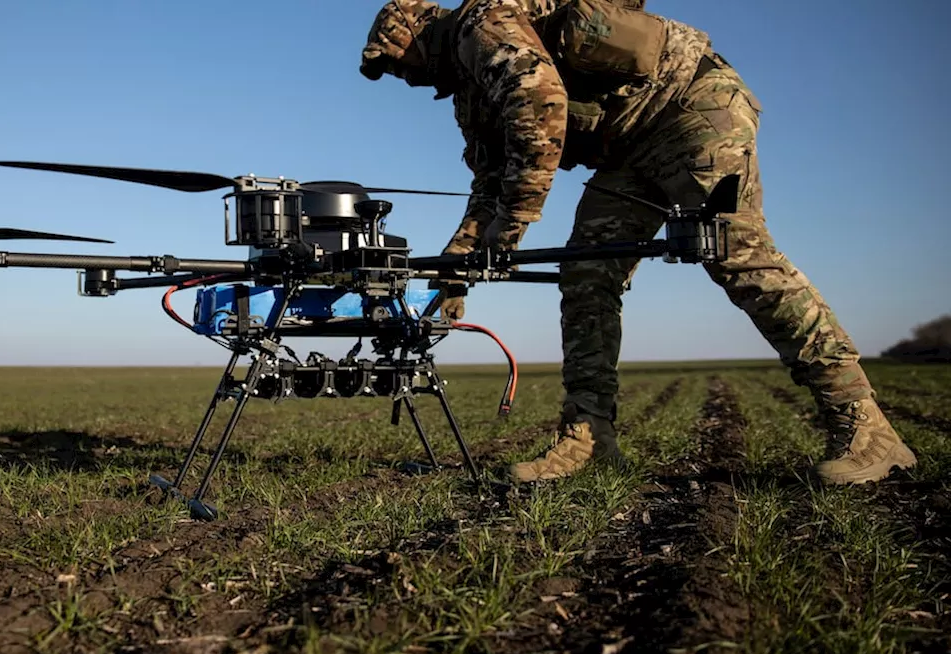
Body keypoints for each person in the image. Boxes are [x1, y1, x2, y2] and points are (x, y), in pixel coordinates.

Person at [358, 0, 917, 485]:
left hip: (692, 107)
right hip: (627, 149)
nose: (405, 80)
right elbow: (488, 186)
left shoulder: (480, 26)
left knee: (735, 252)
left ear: (415, 38)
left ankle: (863, 424)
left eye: (397, 65)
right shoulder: (467, 95)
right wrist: (455, 278)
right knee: (586, 274)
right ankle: (589, 438)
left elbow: (542, 109)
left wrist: (515, 225)